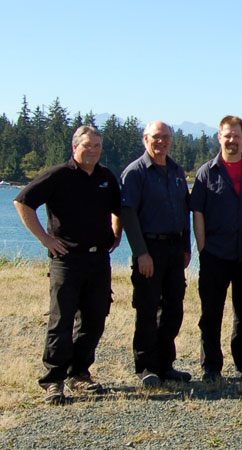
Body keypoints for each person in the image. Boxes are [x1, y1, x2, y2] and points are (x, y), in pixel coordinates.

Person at [14, 125, 122, 404]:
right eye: (88, 145)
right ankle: (53, 380)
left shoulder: (106, 177)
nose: (93, 151)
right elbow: (23, 201)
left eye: (97, 146)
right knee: (61, 321)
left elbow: (119, 209)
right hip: (67, 260)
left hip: (99, 260)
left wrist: (116, 234)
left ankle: (79, 374)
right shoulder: (58, 176)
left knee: (95, 318)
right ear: (75, 148)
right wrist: (45, 239)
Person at [189, 116, 242, 382]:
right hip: (215, 254)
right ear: (219, 138)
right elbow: (197, 212)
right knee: (211, 314)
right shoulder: (206, 172)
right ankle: (211, 367)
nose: (232, 140)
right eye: (227, 135)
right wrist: (202, 248)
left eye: (236, 135)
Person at [120, 121, 193, 387]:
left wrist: (186, 247)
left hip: (175, 249)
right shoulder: (135, 173)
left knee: (174, 308)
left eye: (166, 137)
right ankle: (146, 366)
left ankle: (166, 364)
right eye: (156, 137)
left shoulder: (175, 170)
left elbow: (184, 212)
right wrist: (141, 253)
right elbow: (128, 214)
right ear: (145, 139)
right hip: (149, 248)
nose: (161, 142)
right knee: (148, 308)